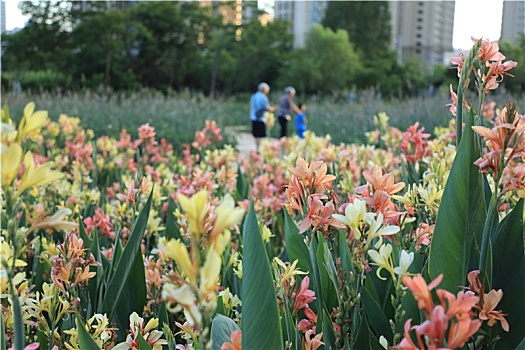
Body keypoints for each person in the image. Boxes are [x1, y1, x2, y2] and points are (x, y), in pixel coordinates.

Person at [250, 82, 275, 151]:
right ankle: (261, 149)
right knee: (261, 135)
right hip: (261, 118)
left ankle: (257, 148)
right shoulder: (263, 97)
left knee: (256, 135)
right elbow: (266, 108)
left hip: (254, 117)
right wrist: (273, 109)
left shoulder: (254, 96)